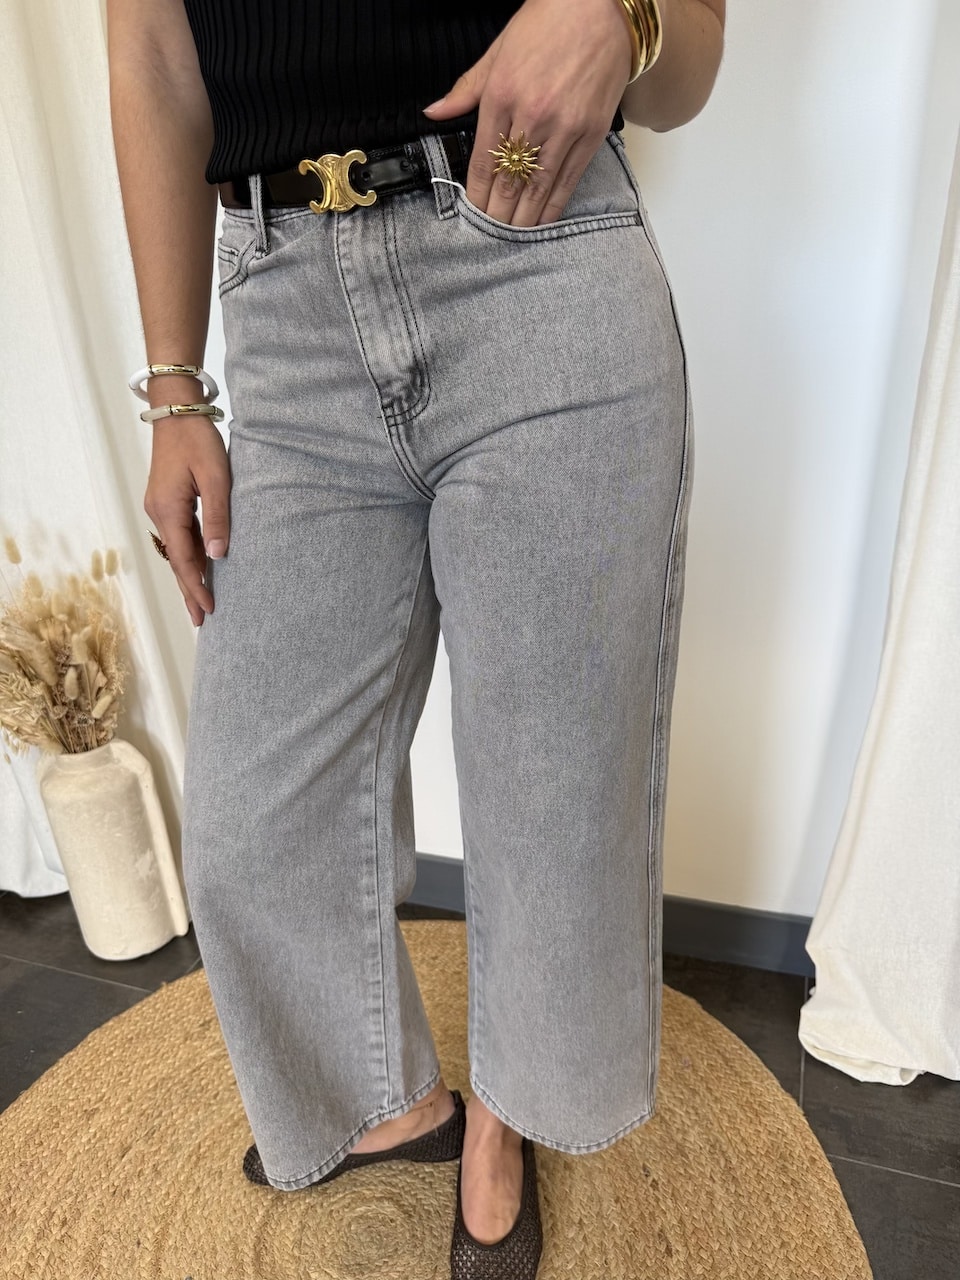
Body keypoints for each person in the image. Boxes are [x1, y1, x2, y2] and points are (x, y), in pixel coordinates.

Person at [107, 2, 725, 1275]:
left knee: (553, 798)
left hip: (537, 259)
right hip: (282, 305)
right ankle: (398, 1107)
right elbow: (155, 55)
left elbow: (690, 65)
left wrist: (624, 15)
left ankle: (505, 1126)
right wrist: (174, 388)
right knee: (249, 824)